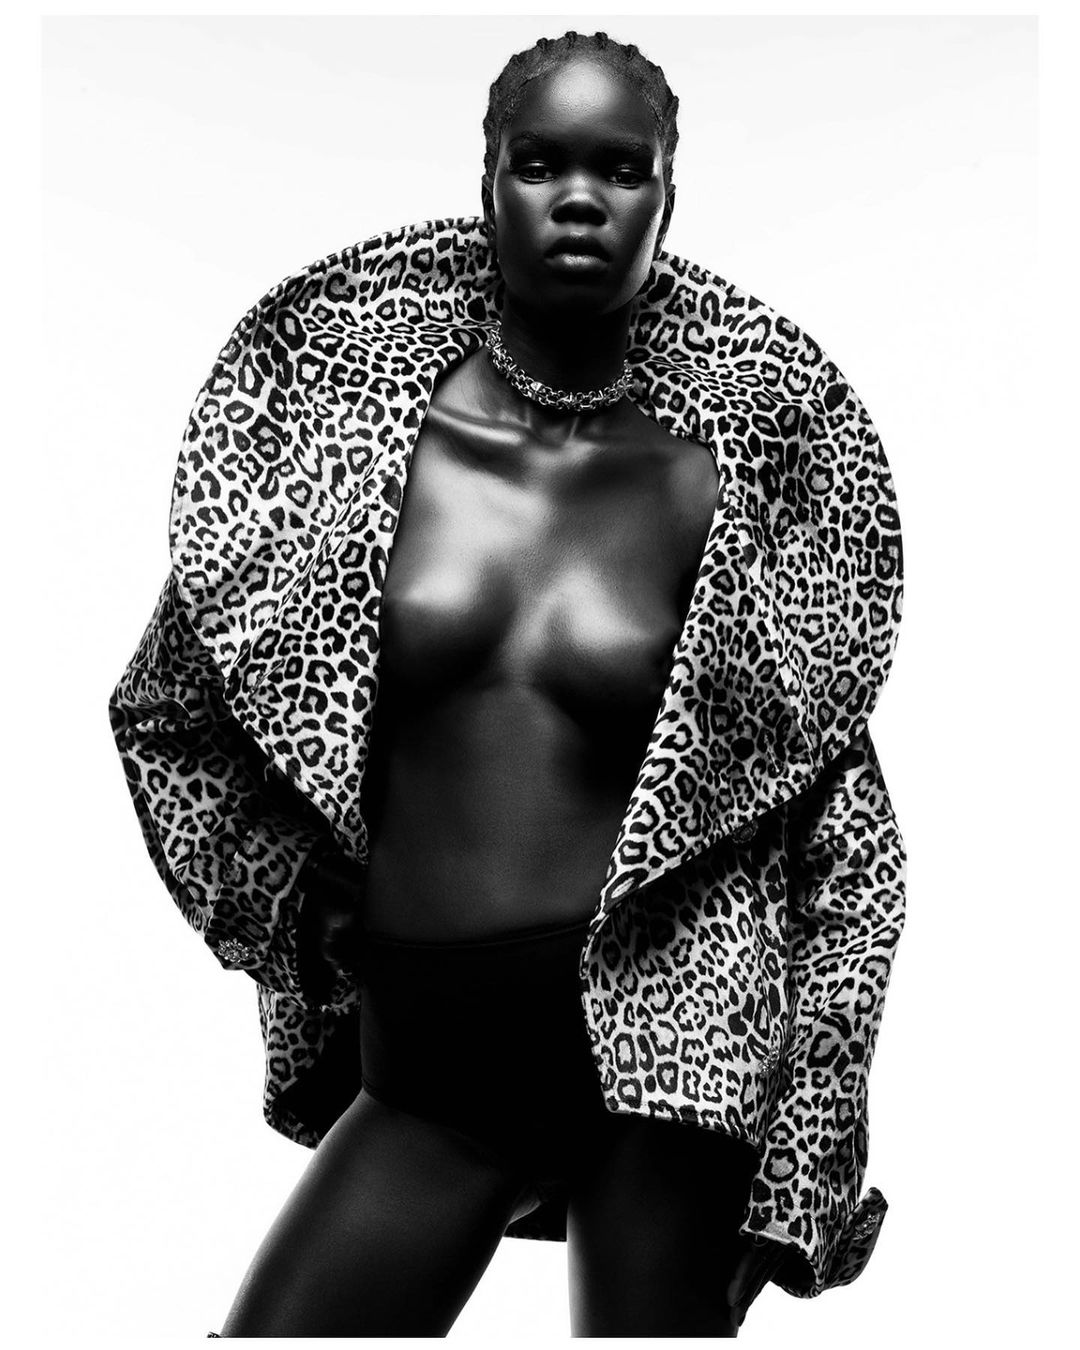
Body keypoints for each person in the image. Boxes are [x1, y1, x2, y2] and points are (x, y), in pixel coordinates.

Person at [109, 30, 906, 1338]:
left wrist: (805, 1161)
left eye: (622, 168)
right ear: (487, 182)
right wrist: (297, 904)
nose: (580, 199)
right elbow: (169, 715)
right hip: (434, 1062)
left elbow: (852, 853)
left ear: (667, 196)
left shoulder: (734, 484)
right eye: (541, 163)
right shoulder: (349, 454)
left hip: (673, 1070)